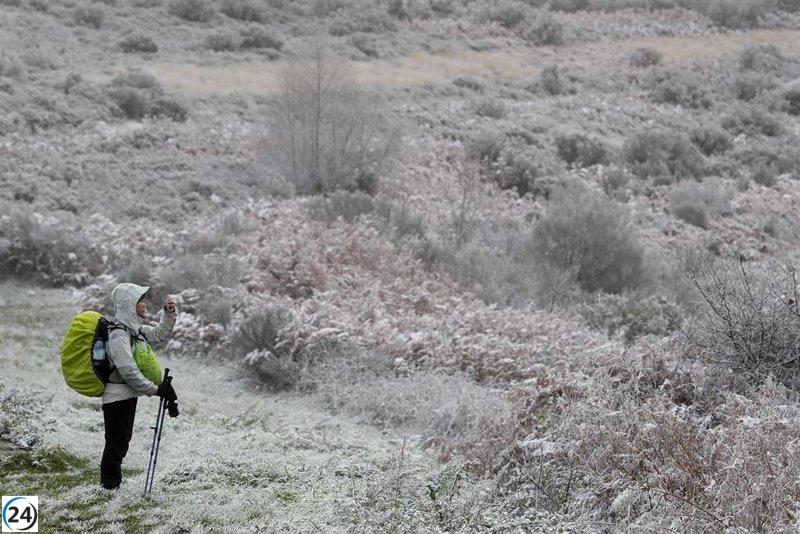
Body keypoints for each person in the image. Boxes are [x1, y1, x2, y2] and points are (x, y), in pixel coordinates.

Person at [100, 282, 179, 490]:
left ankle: (111, 486)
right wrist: (155, 389)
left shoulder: (134, 329)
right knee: (116, 443)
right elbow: (128, 371)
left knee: (122, 440)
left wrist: (169, 314)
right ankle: (109, 487)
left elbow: (159, 333)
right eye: (140, 301)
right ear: (129, 305)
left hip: (127, 395)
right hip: (116, 396)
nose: (144, 304)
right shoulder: (118, 334)